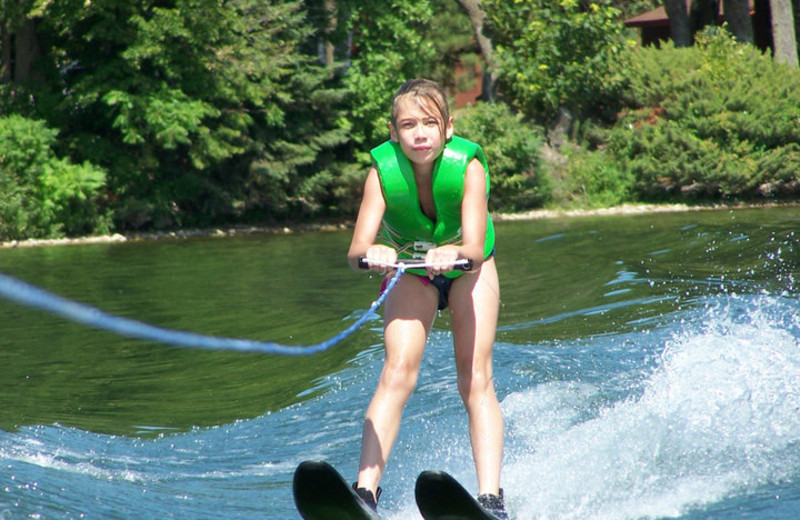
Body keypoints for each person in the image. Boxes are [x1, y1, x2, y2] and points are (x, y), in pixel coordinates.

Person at [347, 78, 508, 519]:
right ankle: (364, 494)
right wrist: (373, 254)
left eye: (429, 123)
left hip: (467, 270)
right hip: (411, 273)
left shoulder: (469, 168)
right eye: (408, 124)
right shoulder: (381, 174)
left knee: (474, 378)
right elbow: (356, 252)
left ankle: (491, 500)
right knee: (396, 372)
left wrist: (454, 252)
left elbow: (474, 250)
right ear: (393, 131)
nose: (420, 133)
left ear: (448, 128)